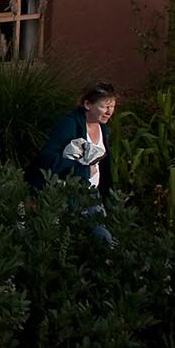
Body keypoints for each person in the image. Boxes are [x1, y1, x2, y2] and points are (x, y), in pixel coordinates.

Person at [34, 82, 118, 244]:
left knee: (94, 237)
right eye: (104, 107)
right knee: (100, 237)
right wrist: (82, 171)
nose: (109, 112)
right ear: (87, 104)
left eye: (112, 107)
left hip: (92, 193)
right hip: (67, 191)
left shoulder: (103, 128)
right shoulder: (70, 124)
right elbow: (47, 158)